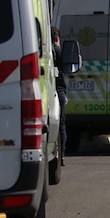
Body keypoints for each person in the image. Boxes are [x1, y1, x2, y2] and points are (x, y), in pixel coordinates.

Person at [51, 27, 68, 165]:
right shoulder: (59, 52)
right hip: (59, 91)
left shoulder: (43, 53)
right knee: (61, 125)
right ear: (57, 38)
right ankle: (61, 154)